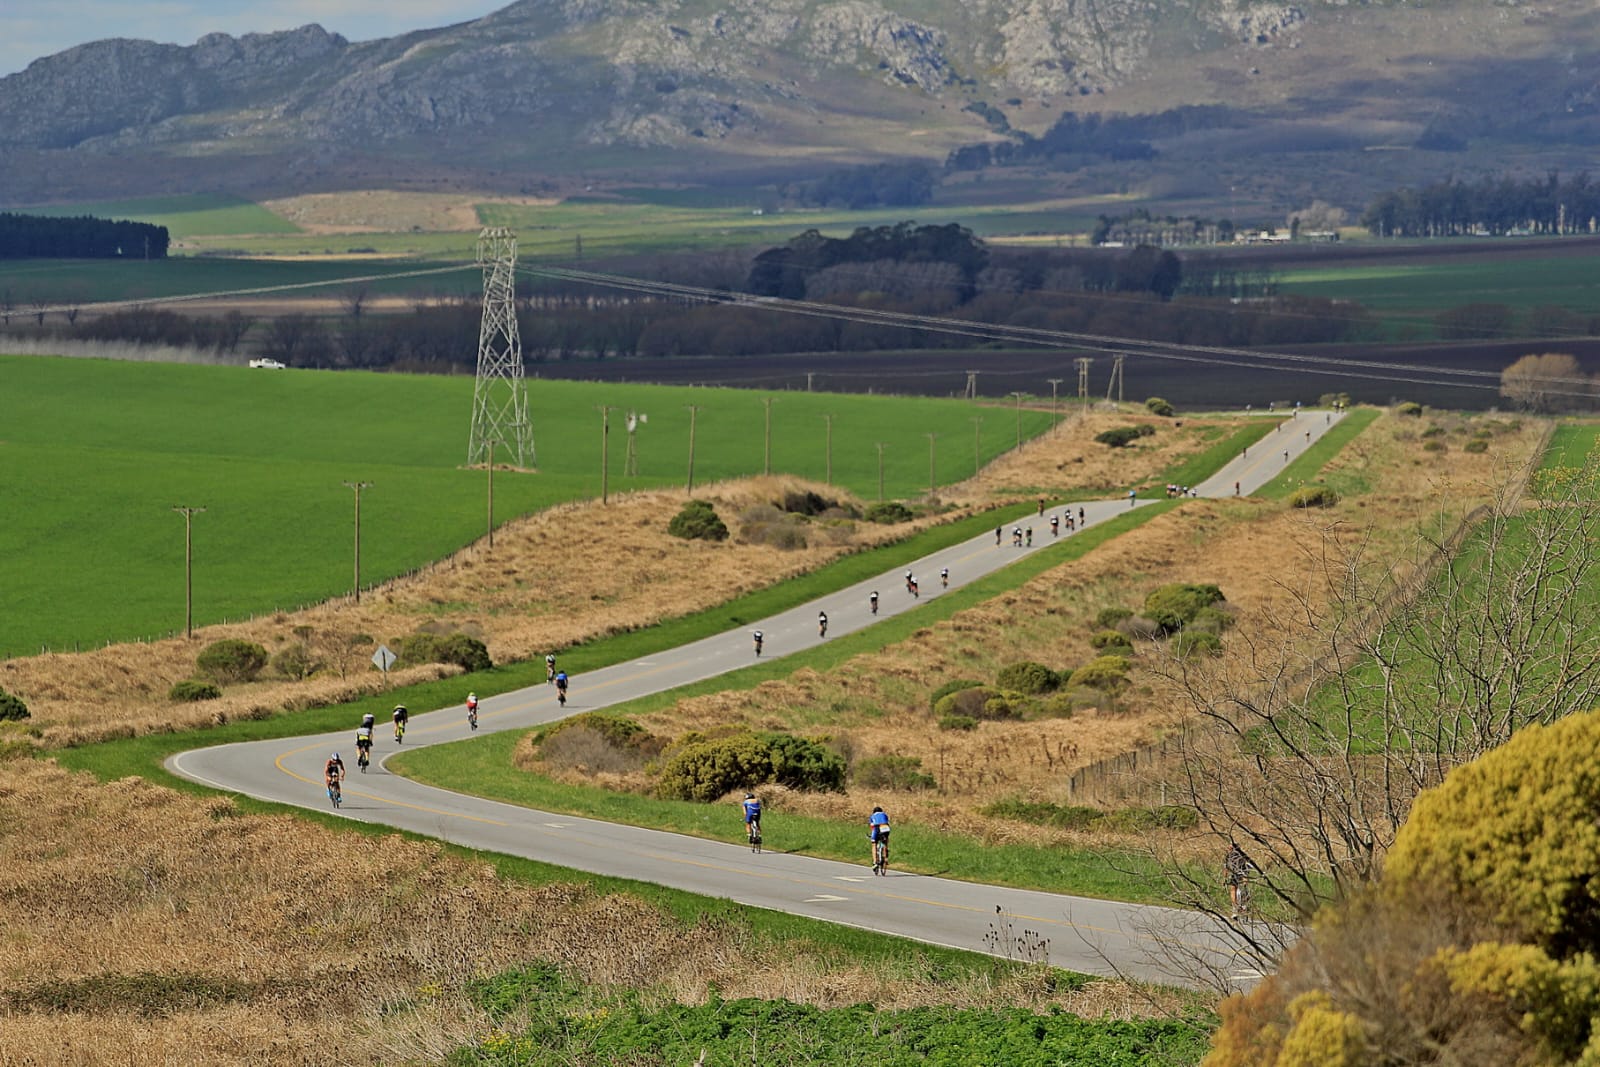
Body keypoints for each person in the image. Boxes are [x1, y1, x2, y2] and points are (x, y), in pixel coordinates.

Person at [1225, 842, 1252, 919]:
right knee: (1240, 888)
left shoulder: (1229, 856)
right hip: (1240, 874)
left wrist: (1225, 877)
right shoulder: (1241, 854)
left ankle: (1236, 909)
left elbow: (1226, 867)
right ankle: (1240, 907)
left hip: (1237, 874)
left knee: (1235, 889)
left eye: (1229, 848)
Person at [868, 806, 891, 873]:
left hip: (877, 827)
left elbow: (872, 827)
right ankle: (886, 855)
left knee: (874, 844)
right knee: (885, 840)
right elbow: (887, 822)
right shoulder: (884, 814)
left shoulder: (872, 816)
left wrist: (872, 837)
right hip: (886, 827)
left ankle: (875, 862)